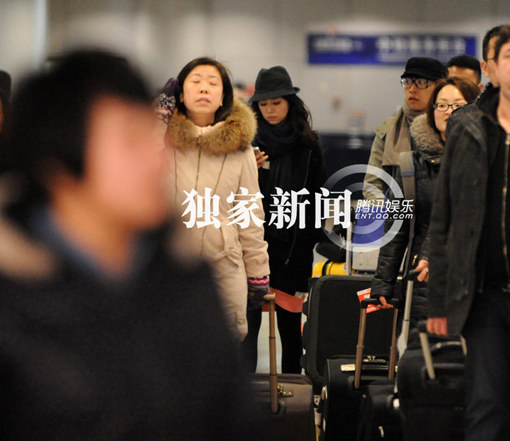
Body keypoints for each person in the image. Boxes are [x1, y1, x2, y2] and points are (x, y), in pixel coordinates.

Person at [0, 49, 262, 440]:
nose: (154, 161)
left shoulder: (185, 280)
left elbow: (233, 418)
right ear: (57, 160)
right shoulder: (14, 301)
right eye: (130, 141)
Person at [427, 24, 510, 441]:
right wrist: (440, 301)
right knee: (486, 410)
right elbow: (445, 217)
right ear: (493, 67)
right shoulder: (468, 126)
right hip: (486, 298)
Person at [156, 57, 270, 341]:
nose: (204, 88)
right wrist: (158, 118)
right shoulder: (163, 142)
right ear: (181, 96)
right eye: (195, 81)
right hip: (168, 269)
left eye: (213, 83)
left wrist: (258, 273)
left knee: (219, 353)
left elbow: (250, 214)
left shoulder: (240, 150)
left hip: (223, 269)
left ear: (223, 98)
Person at [370, 78, 480, 332]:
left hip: (472, 277)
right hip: (422, 278)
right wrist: (383, 282)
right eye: (441, 105)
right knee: (422, 347)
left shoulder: (484, 160)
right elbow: (396, 226)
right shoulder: (410, 165)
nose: (449, 112)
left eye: (457, 105)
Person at [243, 66, 327, 373]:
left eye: (276, 102)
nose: (269, 109)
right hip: (253, 248)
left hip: (293, 251)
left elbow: (319, 196)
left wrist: (308, 241)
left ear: (290, 103)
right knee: (248, 329)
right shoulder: (245, 145)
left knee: (291, 332)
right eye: (263, 104)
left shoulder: (308, 144)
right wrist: (248, 168)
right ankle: (247, 395)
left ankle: (293, 393)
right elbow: (233, 197)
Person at [363, 57, 448, 201]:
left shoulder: (449, 126)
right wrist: (387, 212)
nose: (412, 89)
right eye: (407, 82)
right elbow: (373, 184)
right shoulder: (389, 130)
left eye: (421, 82)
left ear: (439, 87)